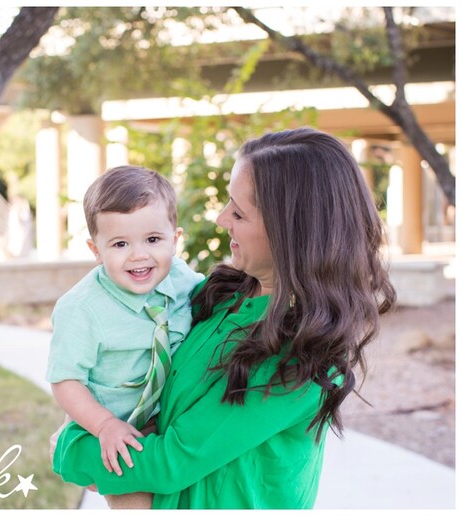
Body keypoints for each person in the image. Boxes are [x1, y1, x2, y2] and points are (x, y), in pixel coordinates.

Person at [52, 127, 396, 509]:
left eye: (238, 211)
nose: (220, 218)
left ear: (287, 230)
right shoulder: (218, 295)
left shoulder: (300, 357)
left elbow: (169, 463)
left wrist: (69, 449)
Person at [46, 165, 204, 509]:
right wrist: (103, 426)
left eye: (153, 239)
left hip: (168, 423)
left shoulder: (183, 280)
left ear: (175, 240)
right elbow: (65, 380)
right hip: (113, 427)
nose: (139, 255)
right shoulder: (82, 309)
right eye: (120, 243)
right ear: (96, 249)